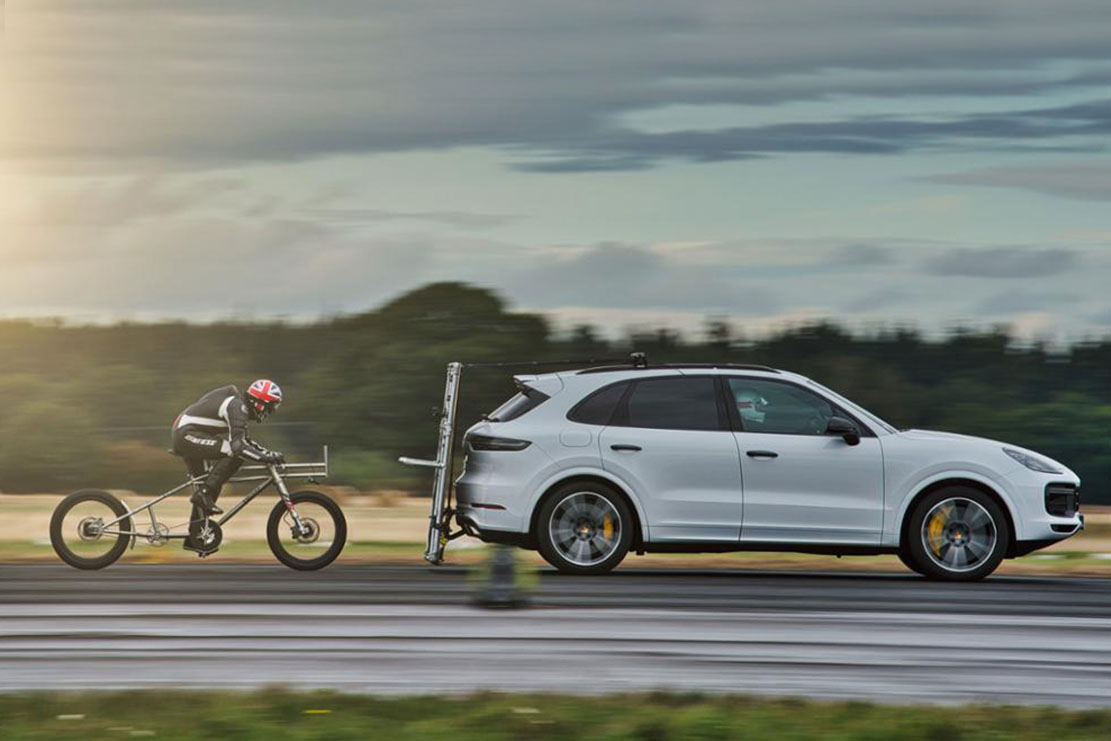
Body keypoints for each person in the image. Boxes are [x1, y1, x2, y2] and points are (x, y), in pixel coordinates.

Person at [171, 380, 284, 550]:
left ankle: (196, 538)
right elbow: (239, 447)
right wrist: (263, 458)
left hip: (190, 433)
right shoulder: (237, 406)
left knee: (208, 484)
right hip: (186, 435)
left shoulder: (239, 407)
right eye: (271, 406)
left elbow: (244, 441)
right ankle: (203, 495)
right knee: (233, 455)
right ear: (260, 403)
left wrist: (267, 454)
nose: (271, 411)